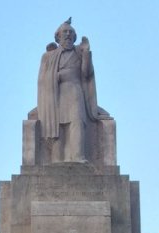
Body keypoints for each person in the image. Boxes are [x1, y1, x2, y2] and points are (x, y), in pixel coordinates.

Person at [37, 18, 109, 163]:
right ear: (58, 36)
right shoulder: (48, 56)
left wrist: (87, 54)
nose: (68, 35)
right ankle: (56, 160)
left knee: (77, 121)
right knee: (57, 125)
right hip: (56, 93)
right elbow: (42, 80)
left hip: (75, 91)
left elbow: (86, 74)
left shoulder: (79, 52)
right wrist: (56, 76)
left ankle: (78, 156)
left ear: (74, 37)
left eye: (71, 32)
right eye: (65, 32)